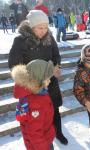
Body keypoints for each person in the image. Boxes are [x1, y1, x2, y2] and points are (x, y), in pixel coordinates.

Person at [8, 10, 68, 145]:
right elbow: (14, 65)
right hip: (32, 89)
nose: (44, 30)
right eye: (40, 28)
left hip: (50, 82)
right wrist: (33, 83)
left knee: (54, 110)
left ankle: (58, 132)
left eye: (46, 27)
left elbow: (56, 56)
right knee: (37, 119)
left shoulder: (49, 37)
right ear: (32, 27)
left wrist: (57, 67)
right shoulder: (20, 41)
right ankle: (43, 142)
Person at [11, 59, 55, 150]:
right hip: (41, 146)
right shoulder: (35, 103)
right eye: (47, 79)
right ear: (39, 79)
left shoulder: (39, 92)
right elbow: (34, 133)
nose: (50, 81)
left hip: (45, 139)